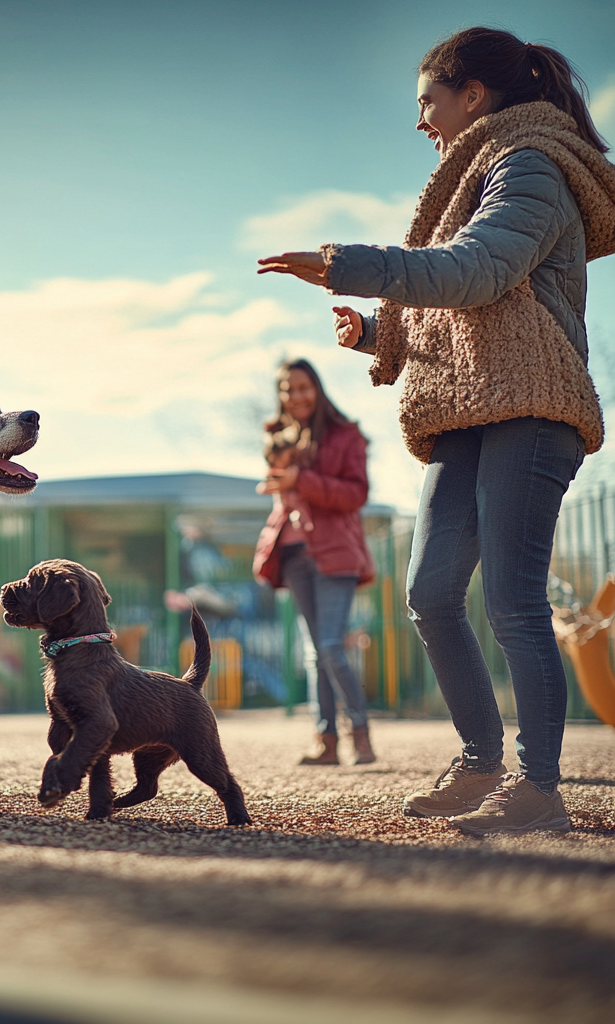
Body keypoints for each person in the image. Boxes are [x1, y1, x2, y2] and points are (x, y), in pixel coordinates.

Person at [258, 27, 615, 835]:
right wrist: (380, 332)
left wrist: (347, 262)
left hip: (531, 406)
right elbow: (469, 311)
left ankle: (539, 788)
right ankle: (482, 759)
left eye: (428, 101)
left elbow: (478, 270)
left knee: (517, 604)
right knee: (428, 593)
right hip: (465, 407)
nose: (421, 120)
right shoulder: (482, 171)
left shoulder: (530, 165)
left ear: (474, 97)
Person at [253, 359, 376, 766]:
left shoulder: (346, 435)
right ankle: (325, 741)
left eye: (304, 387)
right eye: (289, 389)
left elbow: (356, 494)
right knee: (312, 653)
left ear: (317, 389)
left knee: (329, 646)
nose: (297, 395)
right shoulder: (277, 435)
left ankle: (360, 733)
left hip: (335, 551)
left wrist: (299, 481)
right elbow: (283, 495)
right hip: (291, 553)